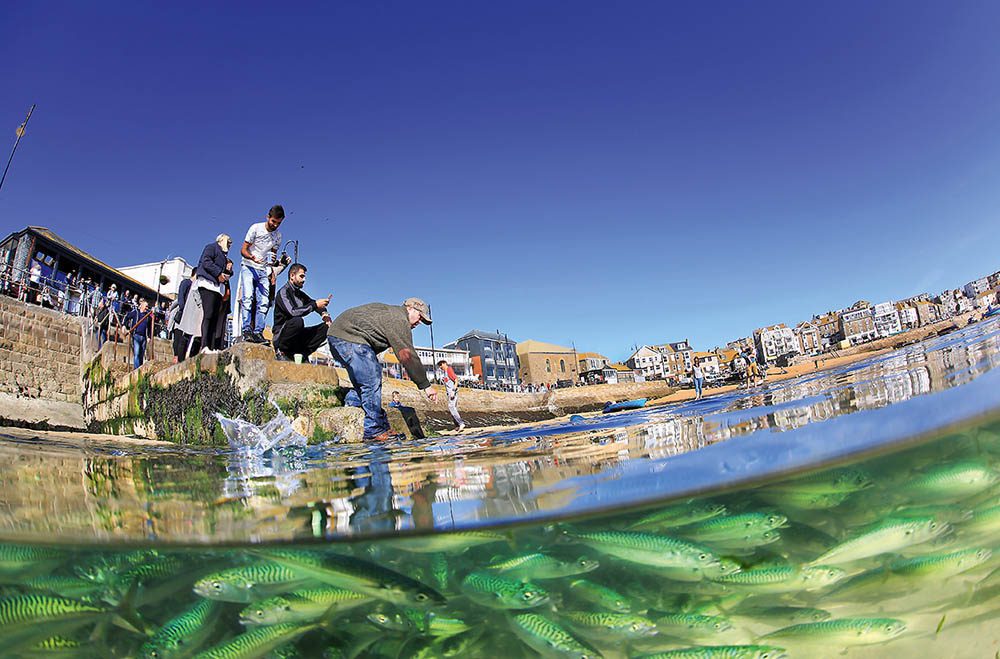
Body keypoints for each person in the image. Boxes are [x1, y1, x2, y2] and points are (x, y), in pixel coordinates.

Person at [326, 298, 438, 442]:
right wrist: (425, 385)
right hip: (349, 337)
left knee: (366, 377)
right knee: (372, 378)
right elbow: (406, 355)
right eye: (420, 317)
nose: (419, 322)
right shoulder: (399, 319)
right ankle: (372, 430)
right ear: (410, 308)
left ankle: (353, 404)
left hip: (339, 337)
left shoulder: (390, 314)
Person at [239, 204, 284, 344]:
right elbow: (243, 250)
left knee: (264, 302)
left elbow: (273, 256)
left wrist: (273, 267)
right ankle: (246, 330)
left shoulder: (278, 236)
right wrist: (252, 257)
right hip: (249, 266)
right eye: (273, 222)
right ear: (268, 217)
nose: (275, 225)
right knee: (248, 298)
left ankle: (258, 331)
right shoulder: (255, 228)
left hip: (264, 269)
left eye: (278, 223)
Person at [272, 263, 331, 362]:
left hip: (297, 338)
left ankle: (302, 354)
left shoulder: (301, 294)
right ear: (292, 276)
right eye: (301, 276)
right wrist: (315, 305)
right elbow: (293, 312)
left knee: (326, 328)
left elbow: (314, 303)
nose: (304, 280)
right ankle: (282, 352)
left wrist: (324, 314)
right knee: (297, 321)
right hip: (281, 336)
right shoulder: (283, 292)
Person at [195, 234, 232, 355]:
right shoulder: (211, 247)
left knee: (215, 318)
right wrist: (218, 274)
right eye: (228, 242)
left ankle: (211, 347)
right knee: (209, 314)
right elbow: (206, 262)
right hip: (207, 284)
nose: (230, 245)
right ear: (222, 240)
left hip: (217, 288)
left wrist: (228, 272)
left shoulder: (223, 255)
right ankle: (205, 345)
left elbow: (223, 270)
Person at [125, 299, 153, 369]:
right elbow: (127, 316)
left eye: (147, 307)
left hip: (144, 337)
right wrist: (124, 325)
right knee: (137, 353)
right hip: (136, 335)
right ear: (142, 306)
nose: (147, 308)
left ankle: (140, 368)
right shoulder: (136, 313)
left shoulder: (148, 317)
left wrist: (149, 336)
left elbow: (149, 327)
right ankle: (136, 369)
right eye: (146, 306)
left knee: (141, 354)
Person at [437, 359, 465, 431]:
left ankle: (461, 423)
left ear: (444, 363)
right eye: (439, 366)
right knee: (452, 408)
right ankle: (457, 425)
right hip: (449, 393)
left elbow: (456, 380)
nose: (440, 367)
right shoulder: (445, 373)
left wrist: (453, 391)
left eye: (441, 365)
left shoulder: (449, 370)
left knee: (451, 407)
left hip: (452, 393)